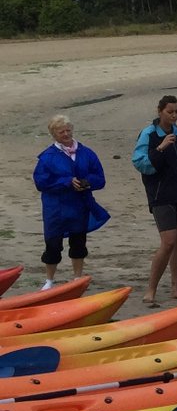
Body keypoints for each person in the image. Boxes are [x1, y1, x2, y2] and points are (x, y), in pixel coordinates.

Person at [132, 94, 177, 305]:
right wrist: (160, 148)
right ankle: (151, 289)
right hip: (161, 194)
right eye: (170, 112)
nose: (174, 115)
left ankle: (176, 288)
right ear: (160, 111)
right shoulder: (149, 134)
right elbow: (140, 163)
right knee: (168, 241)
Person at [34, 115, 109, 288]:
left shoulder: (86, 153)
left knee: (78, 242)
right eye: (61, 132)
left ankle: (77, 278)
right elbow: (41, 182)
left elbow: (100, 178)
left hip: (79, 206)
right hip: (55, 208)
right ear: (54, 134)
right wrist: (66, 182)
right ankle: (49, 280)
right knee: (53, 244)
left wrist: (86, 182)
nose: (66, 134)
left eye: (68, 130)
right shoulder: (47, 157)